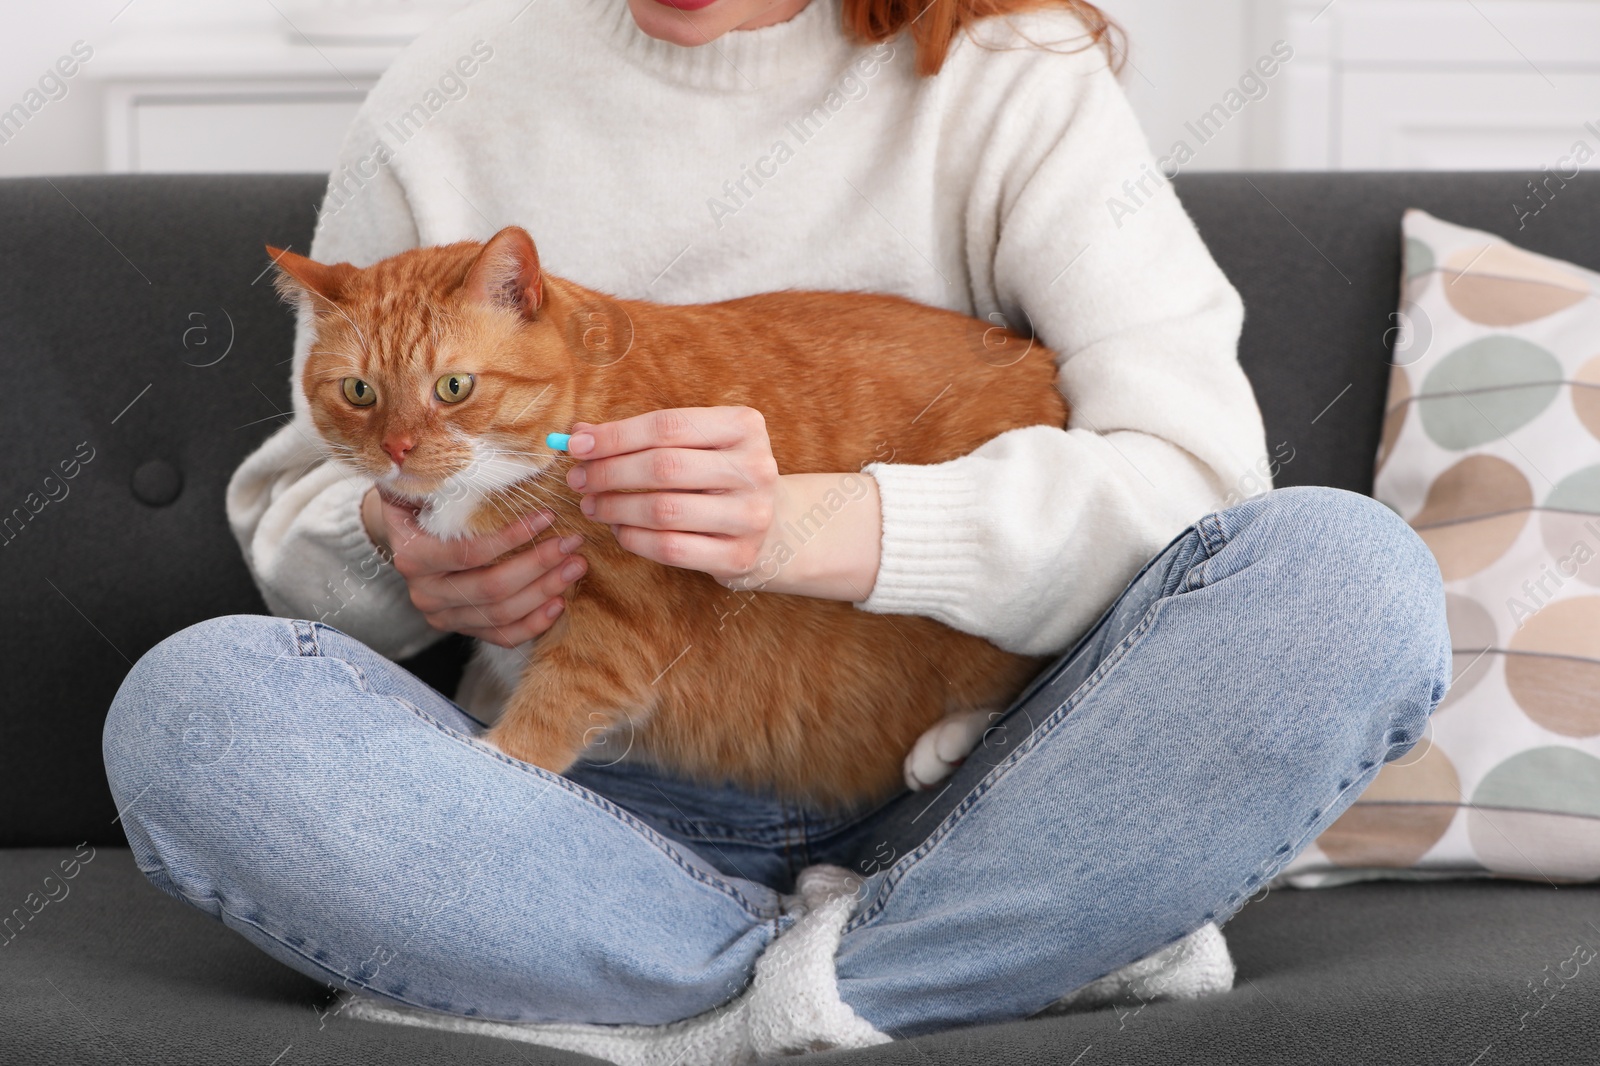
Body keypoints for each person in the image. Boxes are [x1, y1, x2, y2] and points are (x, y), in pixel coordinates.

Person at [102, 0, 1452, 1057]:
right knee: (192, 711)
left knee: (1353, 581)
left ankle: (651, 998)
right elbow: (295, 514)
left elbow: (1200, 484)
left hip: (986, 783)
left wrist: (826, 522)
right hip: (578, 815)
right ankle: (933, 970)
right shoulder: (446, 97)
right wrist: (403, 552)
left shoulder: (1009, 67)